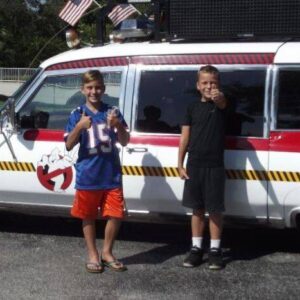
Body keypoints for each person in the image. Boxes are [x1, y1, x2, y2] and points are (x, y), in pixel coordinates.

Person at [64, 70, 130, 273]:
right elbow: (68, 144)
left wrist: (118, 125)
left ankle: (107, 252)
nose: (94, 91)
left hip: (111, 174)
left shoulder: (113, 111)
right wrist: (80, 127)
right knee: (88, 215)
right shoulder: (77, 113)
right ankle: (93, 255)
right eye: (90, 87)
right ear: (82, 89)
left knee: (116, 214)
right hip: (88, 175)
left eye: (98, 87)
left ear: (104, 88)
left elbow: (125, 141)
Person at [178, 65, 227, 270]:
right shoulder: (191, 108)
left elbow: (223, 103)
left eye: (213, 83)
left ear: (218, 85)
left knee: (214, 209)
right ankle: (196, 249)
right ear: (198, 86)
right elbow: (184, 137)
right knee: (197, 210)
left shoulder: (222, 104)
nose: (209, 86)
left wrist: (219, 98)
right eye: (205, 83)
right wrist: (180, 163)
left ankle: (215, 250)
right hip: (194, 164)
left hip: (215, 165)